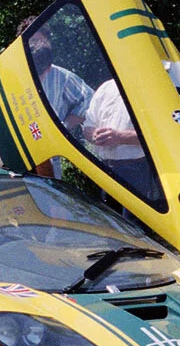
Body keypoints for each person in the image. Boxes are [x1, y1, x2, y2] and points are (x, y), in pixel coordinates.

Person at [18, 16, 92, 178]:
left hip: (49, 157)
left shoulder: (61, 77)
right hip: (14, 162)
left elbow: (89, 100)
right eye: (32, 41)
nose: (37, 45)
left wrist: (63, 126)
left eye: (41, 40)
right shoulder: (9, 76)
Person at [83, 79, 160, 206]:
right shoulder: (105, 88)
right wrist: (95, 135)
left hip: (137, 169)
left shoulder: (150, 88)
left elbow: (158, 134)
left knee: (132, 221)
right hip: (104, 168)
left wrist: (120, 137)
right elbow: (88, 126)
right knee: (111, 220)